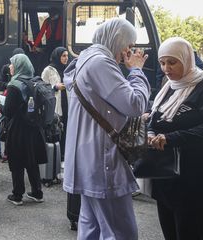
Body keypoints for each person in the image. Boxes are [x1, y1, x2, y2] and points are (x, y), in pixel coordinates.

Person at [62, 18, 150, 239]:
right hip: (102, 160)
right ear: (117, 39)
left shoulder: (85, 59)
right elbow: (134, 104)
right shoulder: (101, 62)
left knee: (90, 225)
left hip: (87, 157)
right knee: (121, 231)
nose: (128, 52)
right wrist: (137, 71)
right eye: (128, 44)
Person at [148, 37, 203, 239]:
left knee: (190, 233)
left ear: (187, 59)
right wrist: (149, 131)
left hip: (195, 177)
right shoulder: (169, 87)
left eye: (172, 62)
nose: (166, 68)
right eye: (162, 62)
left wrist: (172, 137)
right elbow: (156, 117)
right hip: (166, 176)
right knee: (171, 233)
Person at [0, 53, 47, 206]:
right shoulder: (34, 81)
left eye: (12, 64)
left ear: (19, 66)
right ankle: (37, 192)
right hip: (34, 128)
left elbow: (8, 111)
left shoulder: (15, 85)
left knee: (17, 160)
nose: (10, 67)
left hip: (19, 129)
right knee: (31, 160)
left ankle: (17, 194)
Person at [41, 47, 69, 155]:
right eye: (63, 56)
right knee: (57, 130)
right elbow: (42, 88)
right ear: (58, 56)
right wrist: (54, 87)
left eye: (67, 56)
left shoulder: (68, 70)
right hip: (56, 105)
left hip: (67, 104)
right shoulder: (48, 70)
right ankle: (57, 155)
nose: (66, 58)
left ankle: (65, 154)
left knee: (66, 129)